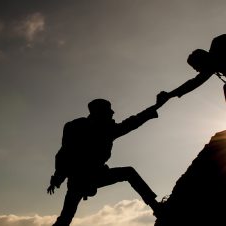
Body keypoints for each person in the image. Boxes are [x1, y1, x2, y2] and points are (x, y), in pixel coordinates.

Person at [47, 97, 165, 226]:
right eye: (109, 110)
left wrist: (57, 178)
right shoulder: (100, 129)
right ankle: (156, 207)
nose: (113, 112)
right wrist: (57, 178)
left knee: (66, 216)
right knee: (129, 173)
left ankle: (157, 207)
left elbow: (63, 154)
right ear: (100, 112)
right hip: (84, 178)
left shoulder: (79, 126)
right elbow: (65, 154)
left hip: (80, 179)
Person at [158, 34, 226, 102]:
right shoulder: (210, 68)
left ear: (201, 61)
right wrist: (169, 95)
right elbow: (193, 83)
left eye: (196, 67)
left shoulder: (218, 43)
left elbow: (194, 83)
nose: (197, 71)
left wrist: (168, 95)